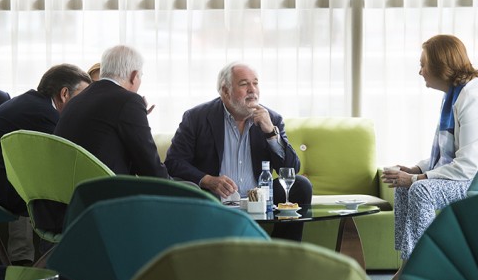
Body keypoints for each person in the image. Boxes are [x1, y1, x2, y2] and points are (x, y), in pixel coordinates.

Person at [378, 35, 478, 280]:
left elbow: (468, 165)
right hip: (473, 174)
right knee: (406, 189)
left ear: (442, 65)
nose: (420, 71)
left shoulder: (475, 99)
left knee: (420, 190)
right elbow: (448, 154)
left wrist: (418, 178)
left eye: (424, 64)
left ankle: (423, 276)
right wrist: (417, 168)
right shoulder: (456, 95)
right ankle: (406, 269)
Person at [0, 64, 91, 268]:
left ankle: (56, 269)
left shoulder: (33, 104)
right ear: (64, 94)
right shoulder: (44, 114)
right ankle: (58, 269)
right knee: (62, 195)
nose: (86, 105)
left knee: (57, 191)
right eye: (83, 97)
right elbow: (70, 153)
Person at [164, 61, 313, 240]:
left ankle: (282, 251)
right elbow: (174, 162)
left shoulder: (271, 118)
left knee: (301, 185)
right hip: (216, 198)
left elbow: (290, 170)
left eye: (255, 83)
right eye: (244, 84)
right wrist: (208, 180)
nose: (252, 89)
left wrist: (271, 133)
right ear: (225, 91)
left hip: (261, 199)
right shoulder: (197, 117)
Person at [54, 45, 168, 178]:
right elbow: (150, 169)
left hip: (69, 192)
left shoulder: (76, 100)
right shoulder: (129, 101)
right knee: (189, 188)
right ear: (133, 76)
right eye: (140, 76)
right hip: (105, 193)